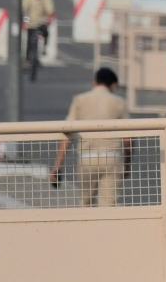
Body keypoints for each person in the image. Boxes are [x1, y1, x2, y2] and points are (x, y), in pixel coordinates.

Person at [49, 67, 133, 206]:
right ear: (113, 85)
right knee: (110, 205)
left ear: (94, 82)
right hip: (112, 158)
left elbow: (67, 134)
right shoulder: (119, 102)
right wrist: (127, 165)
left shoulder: (80, 100)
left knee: (86, 204)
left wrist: (58, 166)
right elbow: (128, 138)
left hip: (87, 158)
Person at [20, 0, 55, 81]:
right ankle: (28, 58)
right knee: (29, 41)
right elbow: (25, 11)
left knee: (46, 33)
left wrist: (49, 19)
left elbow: (50, 10)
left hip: (41, 23)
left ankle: (44, 47)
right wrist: (25, 23)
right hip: (31, 24)